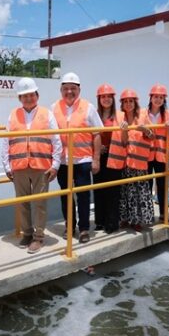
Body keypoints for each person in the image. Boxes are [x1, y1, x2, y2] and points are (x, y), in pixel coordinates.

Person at [3, 77, 62, 254]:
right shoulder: (13, 115)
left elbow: (56, 140)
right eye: (24, 96)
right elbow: (6, 141)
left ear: (37, 95)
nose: (28, 99)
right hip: (19, 166)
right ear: (20, 98)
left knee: (40, 204)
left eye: (31, 95)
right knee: (22, 203)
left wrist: (56, 165)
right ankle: (27, 234)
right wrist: (7, 166)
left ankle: (38, 237)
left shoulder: (47, 114)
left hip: (41, 166)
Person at [52, 72, 103, 243]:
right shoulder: (54, 108)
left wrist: (96, 159)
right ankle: (69, 226)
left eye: (73, 88)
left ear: (79, 89)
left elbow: (97, 134)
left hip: (83, 161)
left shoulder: (88, 107)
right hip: (63, 162)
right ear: (61, 90)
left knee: (83, 196)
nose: (69, 92)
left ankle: (83, 229)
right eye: (66, 88)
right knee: (66, 195)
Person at [114, 89, 154, 230]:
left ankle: (137, 221)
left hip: (140, 163)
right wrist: (124, 131)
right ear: (122, 104)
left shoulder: (143, 115)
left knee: (139, 192)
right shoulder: (121, 119)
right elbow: (124, 143)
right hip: (126, 163)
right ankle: (126, 219)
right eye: (125, 101)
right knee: (126, 191)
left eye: (131, 101)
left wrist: (146, 130)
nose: (128, 103)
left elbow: (152, 135)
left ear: (135, 102)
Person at [93, 83, 122, 233]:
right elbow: (90, 135)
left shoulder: (119, 115)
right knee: (99, 189)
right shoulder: (94, 114)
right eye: (103, 97)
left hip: (114, 156)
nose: (106, 99)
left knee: (113, 190)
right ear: (99, 99)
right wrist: (97, 149)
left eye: (108, 97)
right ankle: (99, 221)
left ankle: (112, 222)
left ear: (113, 99)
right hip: (99, 156)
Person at [145, 84, 169, 221]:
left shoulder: (167, 114)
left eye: (161, 97)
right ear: (151, 98)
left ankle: (163, 214)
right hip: (147, 155)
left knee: (162, 185)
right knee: (147, 185)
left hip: (161, 155)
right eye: (156, 97)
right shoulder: (143, 113)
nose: (158, 100)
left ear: (164, 100)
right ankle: (148, 214)